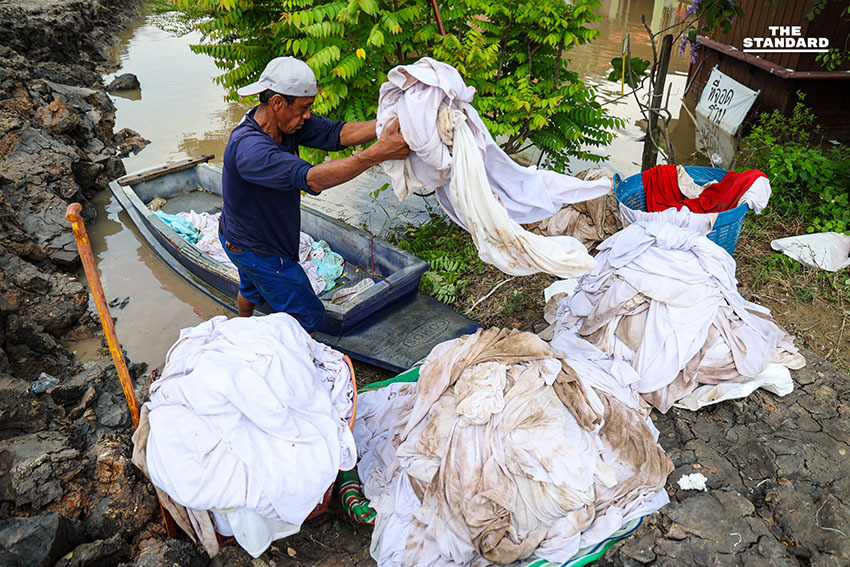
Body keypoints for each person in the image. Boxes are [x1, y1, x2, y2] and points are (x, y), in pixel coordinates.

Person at [218, 56, 409, 334]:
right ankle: (307, 363)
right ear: (277, 103)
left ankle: (239, 331)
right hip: (258, 249)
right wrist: (376, 154)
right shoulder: (250, 149)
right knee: (310, 316)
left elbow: (336, 133)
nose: (307, 115)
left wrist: (387, 124)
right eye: (304, 108)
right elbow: (311, 178)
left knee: (251, 287)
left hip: (238, 236)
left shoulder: (285, 124)